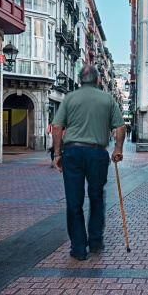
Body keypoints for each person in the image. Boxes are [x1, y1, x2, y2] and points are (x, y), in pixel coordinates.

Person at [52, 65, 126, 260]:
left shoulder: (69, 98)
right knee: (96, 197)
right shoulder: (108, 98)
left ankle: (78, 248)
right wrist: (118, 149)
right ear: (97, 80)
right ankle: (95, 241)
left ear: (80, 79)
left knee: (74, 202)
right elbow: (120, 126)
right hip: (97, 153)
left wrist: (58, 153)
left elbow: (57, 126)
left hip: (73, 152)